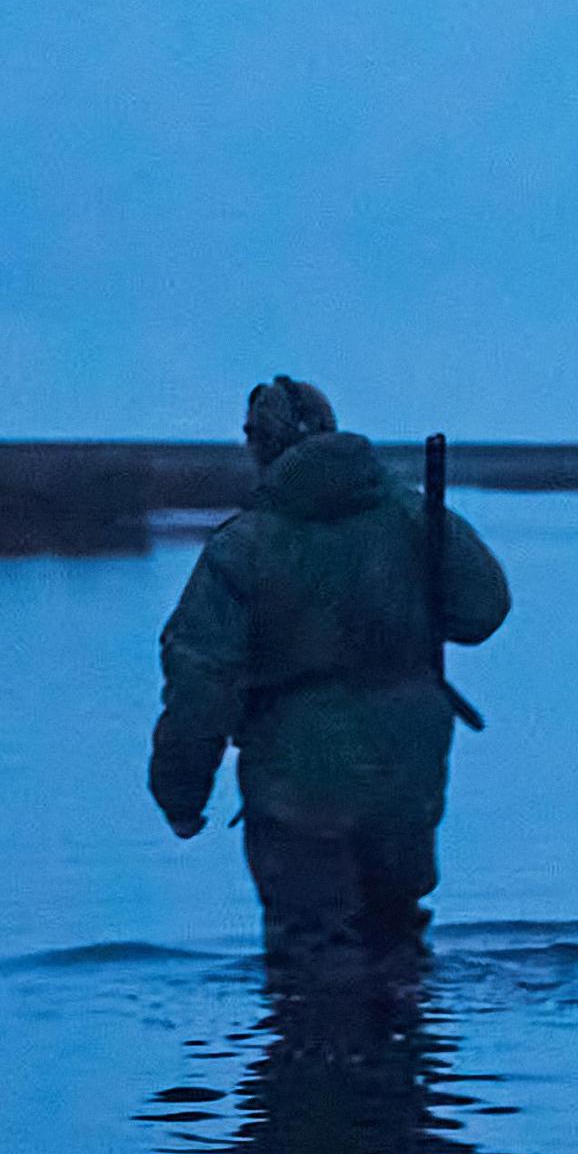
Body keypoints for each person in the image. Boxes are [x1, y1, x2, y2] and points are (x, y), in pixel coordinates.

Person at [152, 374, 510, 974]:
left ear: (257, 445)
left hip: (297, 779)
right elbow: (483, 612)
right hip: (406, 768)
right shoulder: (413, 515)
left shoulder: (243, 546)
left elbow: (200, 682)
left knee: (311, 958)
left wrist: (181, 794)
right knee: (398, 947)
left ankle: (316, 1033)